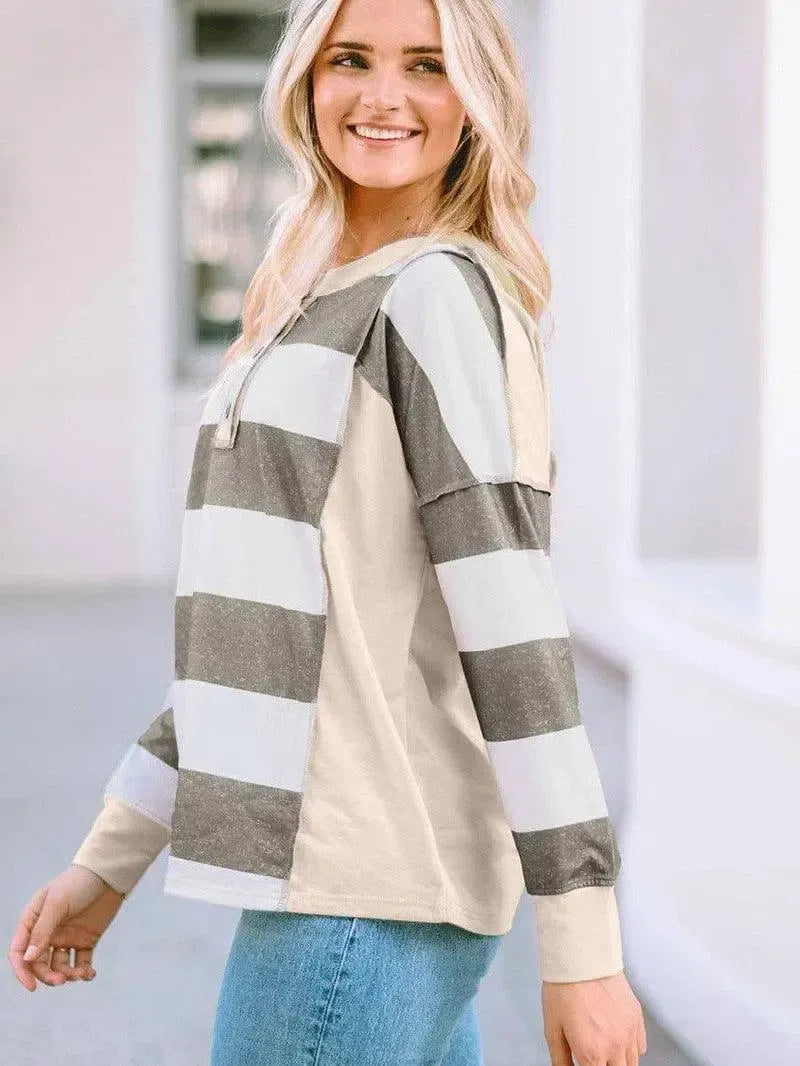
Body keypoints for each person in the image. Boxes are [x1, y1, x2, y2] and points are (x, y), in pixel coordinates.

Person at [8, 0, 648, 1063]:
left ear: (475, 98)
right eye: (351, 58)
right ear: (305, 79)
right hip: (354, 900)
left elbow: (515, 632)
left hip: (363, 901)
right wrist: (109, 858)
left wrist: (584, 947)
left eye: (426, 66)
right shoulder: (309, 305)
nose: (383, 96)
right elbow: (250, 639)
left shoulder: (434, 297)